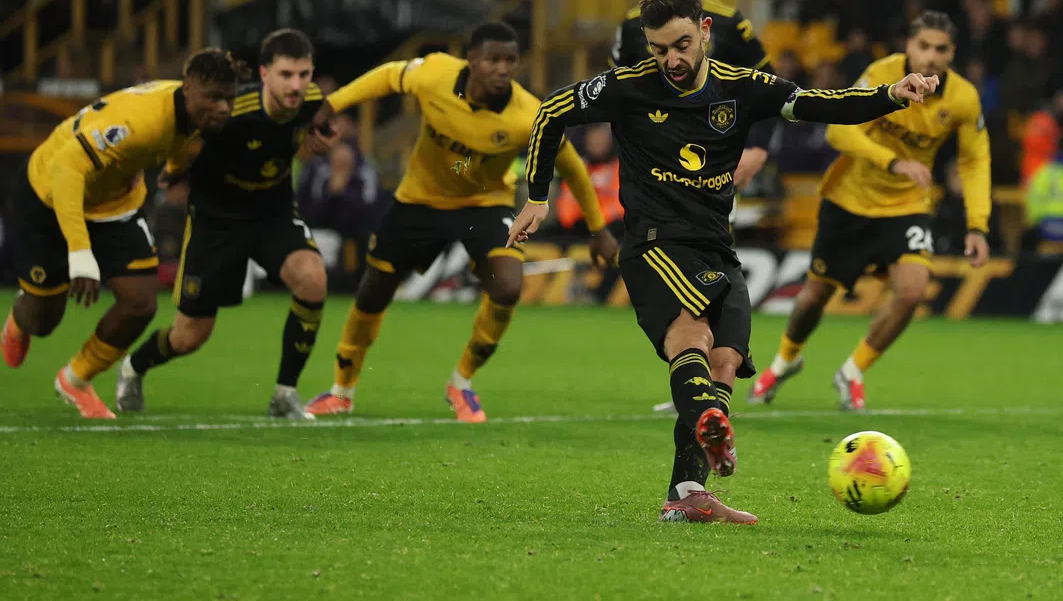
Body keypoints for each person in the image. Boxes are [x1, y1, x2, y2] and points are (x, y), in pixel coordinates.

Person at [509, 0, 935, 523]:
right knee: (691, 336)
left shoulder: (741, 87)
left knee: (726, 360)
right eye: (660, 48)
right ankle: (708, 422)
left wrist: (890, 95)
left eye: (682, 44)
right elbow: (550, 112)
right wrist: (539, 196)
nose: (673, 60)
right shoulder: (626, 85)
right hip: (653, 244)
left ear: (705, 31)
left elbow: (818, 104)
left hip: (716, 244)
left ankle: (686, 493)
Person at [305, 21, 620, 421]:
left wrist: (598, 229)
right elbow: (386, 77)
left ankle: (462, 382)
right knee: (373, 292)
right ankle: (341, 391)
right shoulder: (435, 73)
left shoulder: (529, 115)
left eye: (510, 60)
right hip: (419, 200)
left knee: (507, 286)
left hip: (484, 206)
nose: (503, 68)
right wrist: (331, 105)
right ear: (471, 59)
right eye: (493, 59)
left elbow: (573, 168)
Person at [750, 11, 992, 412]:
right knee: (814, 297)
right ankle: (786, 361)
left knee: (913, 290)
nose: (931, 56)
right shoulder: (882, 72)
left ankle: (853, 371)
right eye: (924, 46)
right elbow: (838, 128)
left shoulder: (964, 98)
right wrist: (892, 162)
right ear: (908, 47)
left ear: (952, 54)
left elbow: (974, 161)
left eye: (941, 49)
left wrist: (977, 225)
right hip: (850, 200)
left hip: (907, 205)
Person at [1, 50, 243, 419]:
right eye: (214, 97)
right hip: (49, 198)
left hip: (115, 204)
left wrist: (175, 168)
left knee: (141, 302)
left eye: (229, 97)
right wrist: (80, 254)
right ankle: (20, 318)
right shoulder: (140, 121)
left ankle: (76, 379)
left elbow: (178, 136)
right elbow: (67, 168)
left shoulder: (194, 111)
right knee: (43, 322)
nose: (224, 107)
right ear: (189, 87)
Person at [115, 30, 336, 421]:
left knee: (313, 278)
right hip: (217, 223)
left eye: (304, 74)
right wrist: (170, 170)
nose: (297, 85)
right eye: (286, 74)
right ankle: (133, 368)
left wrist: (320, 134)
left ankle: (285, 395)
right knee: (190, 337)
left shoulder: (311, 103)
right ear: (264, 73)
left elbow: (325, 115)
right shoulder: (230, 109)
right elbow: (182, 135)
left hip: (273, 214)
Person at [611, 0, 774, 191]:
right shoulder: (631, 27)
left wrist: (759, 148)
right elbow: (617, 96)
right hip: (653, 163)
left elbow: (768, 86)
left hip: (715, 160)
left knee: (714, 231)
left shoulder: (729, 22)